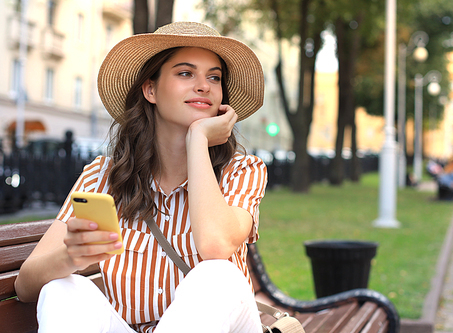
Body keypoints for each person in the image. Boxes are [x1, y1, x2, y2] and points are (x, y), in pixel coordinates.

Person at [14, 22, 268, 333]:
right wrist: (71, 255)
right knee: (61, 289)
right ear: (150, 90)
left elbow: (215, 246)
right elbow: (26, 286)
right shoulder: (103, 177)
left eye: (214, 77)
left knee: (217, 275)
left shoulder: (241, 170)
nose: (204, 86)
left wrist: (198, 139)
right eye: (186, 73)